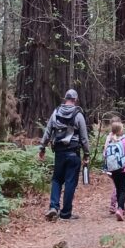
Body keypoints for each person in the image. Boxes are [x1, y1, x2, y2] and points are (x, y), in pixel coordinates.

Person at [38, 88, 90, 221]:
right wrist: (86, 154)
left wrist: (42, 147)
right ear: (75, 100)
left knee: (56, 180)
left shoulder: (56, 112)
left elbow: (48, 131)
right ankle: (66, 213)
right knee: (70, 182)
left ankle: (53, 207)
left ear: (65, 98)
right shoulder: (78, 114)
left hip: (59, 153)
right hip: (73, 153)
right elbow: (84, 137)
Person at [103, 119, 125, 221]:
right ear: (120, 130)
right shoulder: (124, 140)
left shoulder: (110, 139)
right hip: (123, 169)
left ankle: (120, 208)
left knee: (117, 188)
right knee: (123, 190)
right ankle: (120, 209)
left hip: (113, 169)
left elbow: (105, 154)